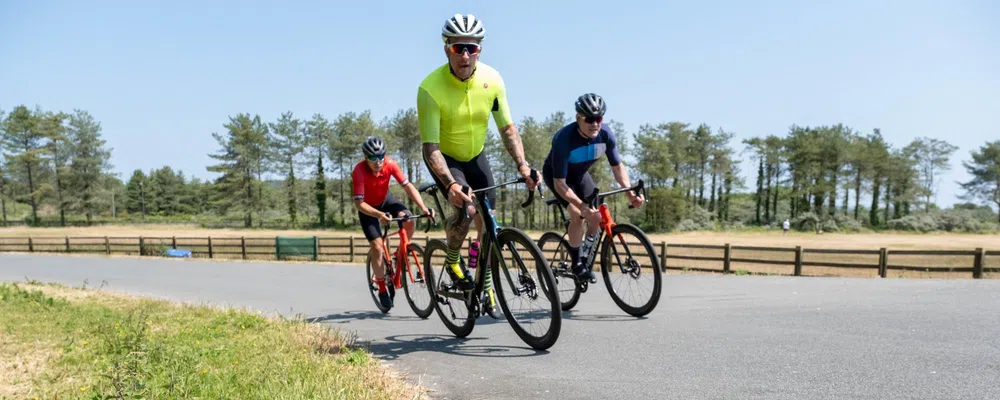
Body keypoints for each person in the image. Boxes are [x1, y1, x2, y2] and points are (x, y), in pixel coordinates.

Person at [417, 13, 539, 295]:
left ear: (479, 50)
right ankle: (451, 260)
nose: (466, 55)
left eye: (472, 48)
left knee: (489, 218)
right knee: (467, 210)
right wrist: (450, 184)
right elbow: (430, 148)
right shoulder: (429, 89)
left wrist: (523, 165)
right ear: (447, 47)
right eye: (459, 48)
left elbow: (507, 128)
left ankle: (484, 279)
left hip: (475, 155)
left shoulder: (492, 80)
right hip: (445, 158)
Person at [542, 93, 644, 282]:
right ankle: (576, 264)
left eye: (598, 118)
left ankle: (585, 256)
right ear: (578, 118)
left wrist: (630, 193)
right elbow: (560, 183)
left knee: (596, 216)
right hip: (558, 178)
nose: (595, 124)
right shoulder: (564, 139)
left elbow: (617, 167)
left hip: (580, 176)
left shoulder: (605, 135)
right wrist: (581, 206)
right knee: (578, 215)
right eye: (589, 119)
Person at [352, 136, 435, 311]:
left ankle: (399, 254)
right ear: (366, 158)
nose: (378, 162)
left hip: (385, 200)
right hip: (368, 208)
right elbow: (359, 204)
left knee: (409, 218)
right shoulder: (359, 171)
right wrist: (379, 214)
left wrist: (424, 207)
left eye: (381, 157)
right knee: (377, 247)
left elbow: (408, 186)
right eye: (373, 158)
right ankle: (382, 287)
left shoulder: (390, 164)